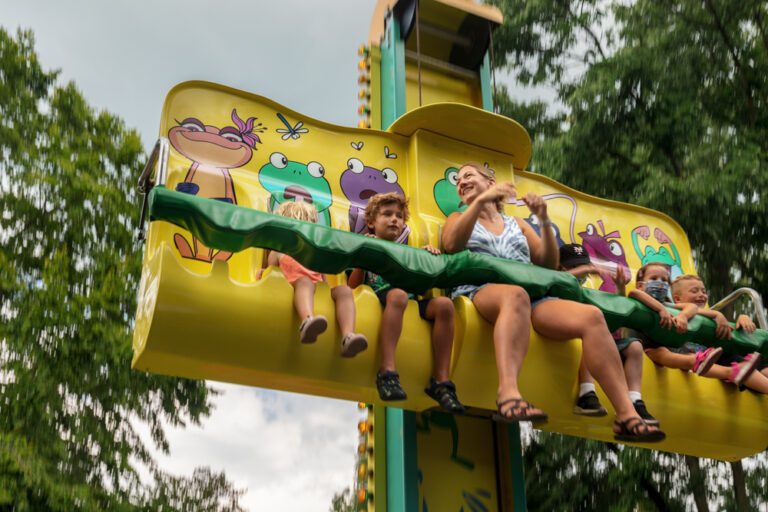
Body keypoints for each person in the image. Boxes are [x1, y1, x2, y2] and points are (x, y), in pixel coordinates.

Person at [441, 162, 664, 442]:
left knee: (593, 317)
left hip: (533, 296)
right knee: (515, 295)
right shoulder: (457, 218)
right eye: (458, 180)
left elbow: (547, 263)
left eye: (469, 176)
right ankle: (508, 394)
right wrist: (480, 203)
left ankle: (626, 414)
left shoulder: (516, 223)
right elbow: (451, 244)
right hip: (482, 288)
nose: (461, 182)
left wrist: (544, 219)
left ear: (490, 181)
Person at [347, 192, 465, 414]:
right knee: (398, 295)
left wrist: (426, 256)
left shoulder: (409, 252)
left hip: (409, 301)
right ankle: (387, 371)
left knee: (444, 306)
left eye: (399, 216)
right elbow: (352, 286)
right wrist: (364, 256)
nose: (395, 219)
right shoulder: (366, 244)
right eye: (387, 214)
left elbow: (420, 286)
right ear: (370, 223)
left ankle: (441, 381)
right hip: (379, 298)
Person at [558, 244, 658, 425]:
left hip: (608, 342)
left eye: (582, 266)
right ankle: (586, 393)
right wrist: (587, 268)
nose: (580, 272)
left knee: (635, 346)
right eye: (573, 267)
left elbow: (616, 310)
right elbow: (557, 279)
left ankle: (635, 400)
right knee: (590, 336)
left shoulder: (591, 291)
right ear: (561, 268)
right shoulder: (561, 286)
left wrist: (620, 287)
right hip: (582, 337)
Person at [627, 264, 760, 387]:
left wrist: (685, 316)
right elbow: (634, 293)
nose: (660, 283)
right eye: (654, 278)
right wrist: (661, 310)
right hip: (647, 350)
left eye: (664, 280)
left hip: (683, 353)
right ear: (640, 284)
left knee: (693, 357)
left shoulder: (671, 306)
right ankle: (730, 372)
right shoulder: (641, 299)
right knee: (661, 352)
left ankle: (732, 371)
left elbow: (691, 308)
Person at [268, 201, 368, 357]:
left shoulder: (314, 255)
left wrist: (329, 290)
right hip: (296, 286)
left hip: (317, 289)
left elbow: (324, 283)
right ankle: (307, 321)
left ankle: (348, 336)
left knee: (344, 290)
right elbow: (272, 275)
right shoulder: (279, 251)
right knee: (305, 281)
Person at [670, 274, 768, 391]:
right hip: (700, 366)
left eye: (703, 291)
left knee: (758, 367)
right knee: (735, 361)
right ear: (677, 299)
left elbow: (728, 333)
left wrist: (742, 319)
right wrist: (716, 314)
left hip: (720, 363)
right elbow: (689, 309)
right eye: (694, 291)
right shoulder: (675, 313)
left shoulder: (712, 321)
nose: (701, 295)